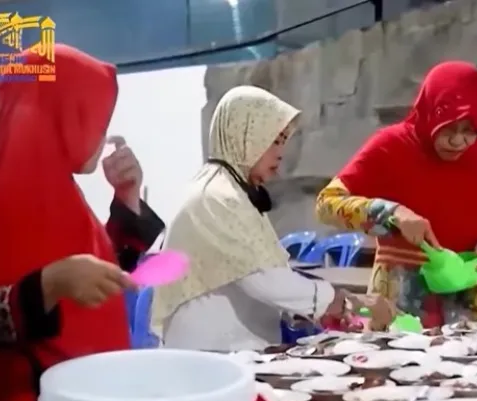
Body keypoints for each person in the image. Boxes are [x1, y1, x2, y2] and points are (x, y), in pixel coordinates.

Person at [0, 45, 165, 401]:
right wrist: (49, 284)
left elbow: (94, 279)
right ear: (65, 113)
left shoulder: (52, 187)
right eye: (96, 119)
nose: (102, 134)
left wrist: (127, 200)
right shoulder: (12, 197)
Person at [153, 86, 394, 351]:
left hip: (225, 350)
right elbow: (264, 280)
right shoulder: (220, 199)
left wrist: (309, 309)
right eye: (273, 141)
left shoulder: (224, 189)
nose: (280, 153)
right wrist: (346, 302)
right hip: (213, 359)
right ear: (244, 136)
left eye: (283, 142)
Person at [315, 61, 477, 327]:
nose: (458, 141)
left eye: (469, 131)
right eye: (448, 128)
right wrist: (392, 214)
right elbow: (327, 204)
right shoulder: (391, 147)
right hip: (400, 312)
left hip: (474, 315)